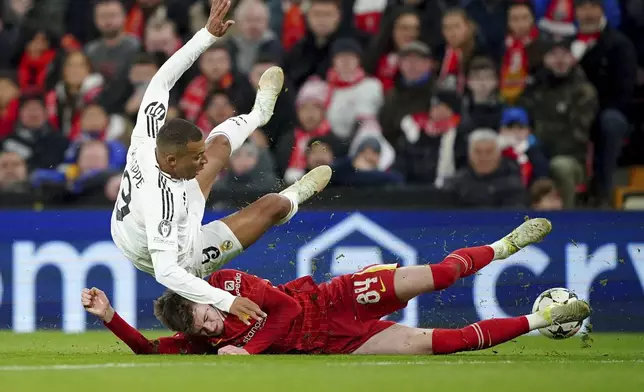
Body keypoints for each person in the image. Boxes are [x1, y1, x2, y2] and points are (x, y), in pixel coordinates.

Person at [109, 0, 332, 326]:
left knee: (221, 144)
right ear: (172, 160)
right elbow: (167, 272)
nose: (204, 162)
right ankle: (295, 197)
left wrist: (206, 36)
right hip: (181, 253)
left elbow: (161, 81)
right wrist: (228, 301)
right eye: (195, 158)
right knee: (272, 205)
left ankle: (259, 114)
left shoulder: (147, 136)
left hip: (168, 200)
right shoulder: (163, 205)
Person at [84, 218, 591, 355]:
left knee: (440, 276)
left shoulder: (222, 282)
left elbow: (281, 312)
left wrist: (250, 351)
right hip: (338, 342)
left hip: (336, 299)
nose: (217, 320)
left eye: (208, 312)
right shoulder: (203, 341)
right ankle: (543, 320)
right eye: (208, 325)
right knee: (441, 344)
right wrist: (110, 318)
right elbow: (151, 351)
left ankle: (504, 245)